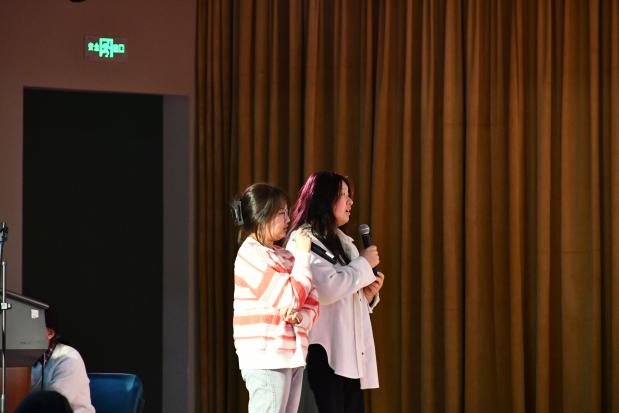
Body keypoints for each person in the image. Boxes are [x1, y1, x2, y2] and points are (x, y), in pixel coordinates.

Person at [286, 171, 384, 413]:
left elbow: (344, 290)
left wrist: (367, 295)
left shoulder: (343, 241)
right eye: (343, 195)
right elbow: (326, 289)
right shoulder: (303, 240)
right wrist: (363, 263)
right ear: (325, 198)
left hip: (348, 357)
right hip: (322, 355)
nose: (351, 201)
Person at [231, 183, 319, 413]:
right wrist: (303, 255)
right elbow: (292, 297)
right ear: (263, 216)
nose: (288, 219)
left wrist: (300, 317)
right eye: (281, 213)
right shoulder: (250, 254)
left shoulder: (286, 255)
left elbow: (312, 297)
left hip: (291, 355)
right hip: (267, 356)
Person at [30, 307, 95, 413]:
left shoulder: (69, 358)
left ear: (50, 333)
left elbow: (53, 405)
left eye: (30, 328)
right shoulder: (25, 359)